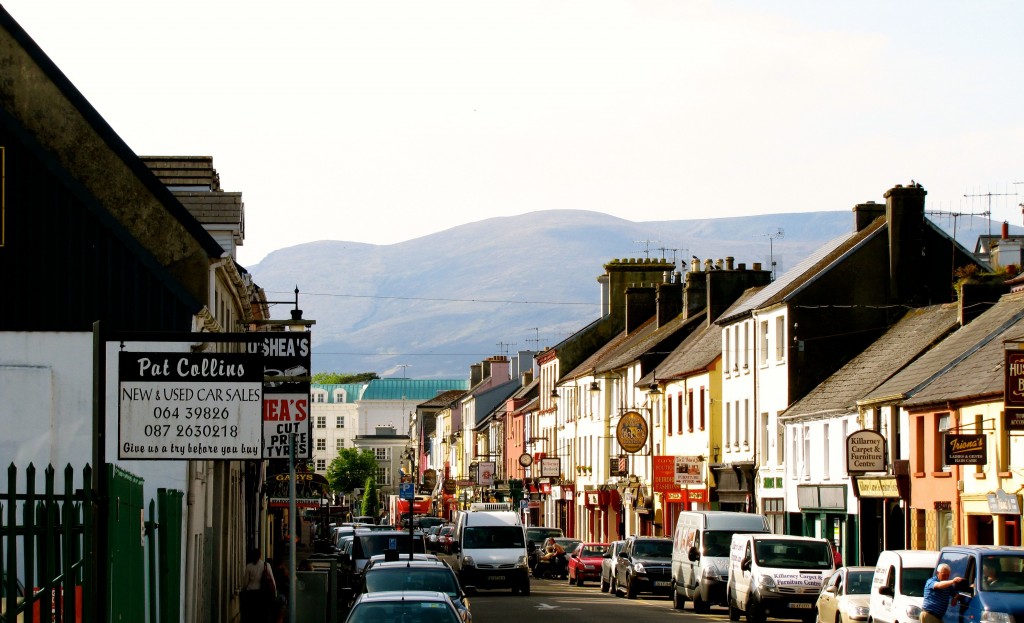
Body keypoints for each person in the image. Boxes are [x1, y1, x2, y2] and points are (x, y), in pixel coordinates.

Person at [241, 548, 276, 623]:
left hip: (250, 593)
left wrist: (243, 590)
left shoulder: (249, 566)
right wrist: (274, 591)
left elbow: (245, 582)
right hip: (261, 593)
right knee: (261, 614)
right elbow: (272, 579)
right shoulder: (266, 565)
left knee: (251, 614)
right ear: (260, 555)